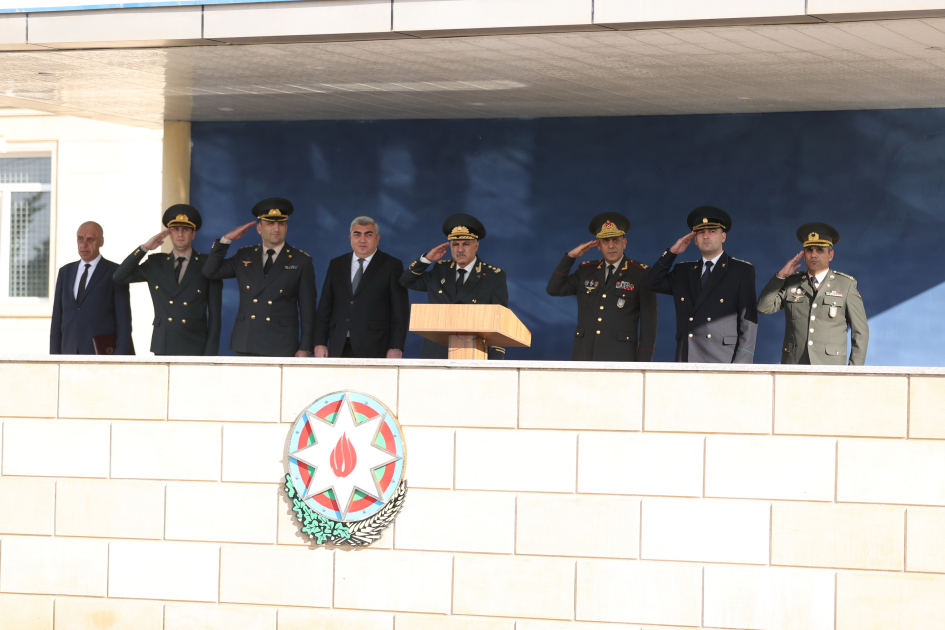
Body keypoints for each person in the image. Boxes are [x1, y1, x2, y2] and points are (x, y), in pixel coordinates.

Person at [202, 198, 317, 357]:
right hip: (247, 341)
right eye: (270, 223)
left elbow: (308, 308)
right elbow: (211, 272)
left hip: (282, 343)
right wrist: (225, 240)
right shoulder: (244, 255)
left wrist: (305, 347)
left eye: (281, 224)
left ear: (286, 227)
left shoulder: (301, 260)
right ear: (259, 228)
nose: (276, 228)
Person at [645, 206, 757, 363]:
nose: (706, 236)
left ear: (723, 236)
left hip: (724, 359)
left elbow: (748, 320)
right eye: (700, 233)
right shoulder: (683, 271)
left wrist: (742, 364)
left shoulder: (741, 270)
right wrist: (672, 253)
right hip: (687, 357)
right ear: (695, 240)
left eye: (712, 231)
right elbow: (652, 283)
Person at [113, 204, 223, 356]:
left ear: (193, 234)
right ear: (169, 233)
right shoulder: (155, 263)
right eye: (175, 229)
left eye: (185, 229)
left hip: (196, 344)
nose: (180, 234)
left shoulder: (207, 264)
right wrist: (144, 248)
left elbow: (215, 315)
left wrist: (211, 352)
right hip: (164, 343)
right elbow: (120, 276)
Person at [546, 212, 657, 361]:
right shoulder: (586, 270)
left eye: (616, 240)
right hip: (584, 356)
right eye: (605, 241)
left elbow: (649, 321)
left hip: (621, 357)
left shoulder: (641, 273)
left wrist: (644, 363)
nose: (611, 246)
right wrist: (570, 257)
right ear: (598, 245)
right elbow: (554, 289)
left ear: (624, 243)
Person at [400, 213, 508, 360]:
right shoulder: (440, 270)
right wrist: (426, 260)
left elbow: (499, 321)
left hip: (473, 353)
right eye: (455, 244)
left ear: (476, 246)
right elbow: (406, 281)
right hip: (435, 353)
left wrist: (495, 362)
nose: (459, 249)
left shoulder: (493, 276)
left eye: (465, 243)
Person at [757, 222, 868, 365]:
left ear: (831, 255)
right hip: (795, 364)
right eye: (809, 250)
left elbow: (861, 332)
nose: (814, 254)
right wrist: (781, 276)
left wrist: (854, 370)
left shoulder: (846, 285)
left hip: (830, 367)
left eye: (820, 250)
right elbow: (763, 307)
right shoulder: (791, 282)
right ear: (804, 255)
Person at [313, 216, 410, 358]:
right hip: (338, 345)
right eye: (357, 234)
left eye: (368, 234)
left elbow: (400, 310)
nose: (362, 240)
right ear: (350, 238)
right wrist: (319, 343)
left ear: (377, 239)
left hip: (375, 345)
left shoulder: (392, 265)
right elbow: (325, 306)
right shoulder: (337, 264)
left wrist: (396, 346)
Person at [50, 221, 132, 355]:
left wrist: (119, 358)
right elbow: (57, 319)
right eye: (80, 239)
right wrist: (54, 356)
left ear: (101, 242)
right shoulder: (65, 272)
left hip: (102, 354)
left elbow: (124, 322)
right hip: (68, 353)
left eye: (90, 239)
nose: (84, 245)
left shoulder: (116, 273)